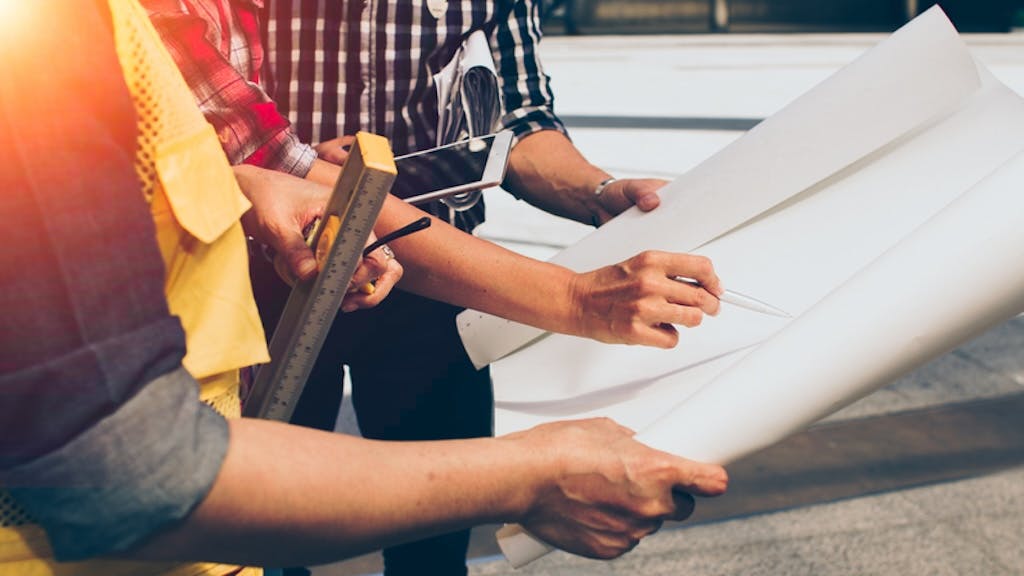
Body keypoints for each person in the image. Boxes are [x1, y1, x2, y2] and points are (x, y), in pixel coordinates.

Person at [0, 3, 728, 576]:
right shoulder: (61, 32)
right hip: (269, 295)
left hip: (420, 280)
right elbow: (134, 475)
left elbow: (510, 117)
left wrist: (244, 183)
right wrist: (532, 469)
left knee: (427, 550)